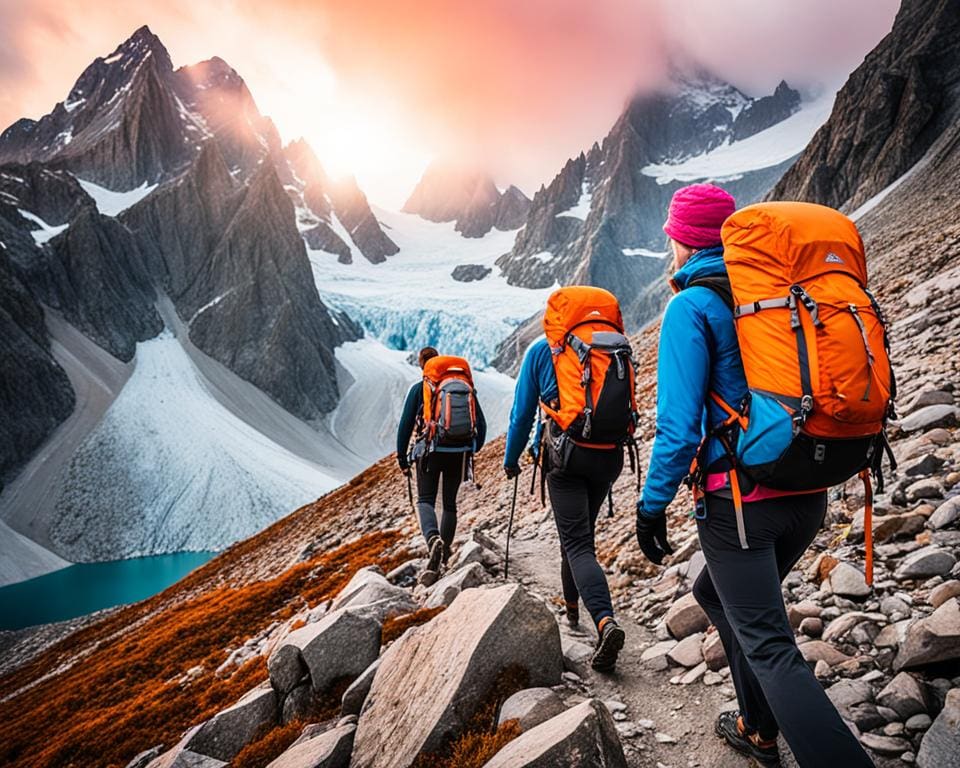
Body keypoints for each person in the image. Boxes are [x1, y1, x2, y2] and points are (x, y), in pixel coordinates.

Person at [635, 183, 874, 766]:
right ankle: (758, 728)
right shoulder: (768, 292)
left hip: (741, 504)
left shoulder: (692, 305)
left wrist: (650, 506)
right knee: (711, 593)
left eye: (672, 238)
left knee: (771, 646)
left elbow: (678, 429)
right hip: (808, 493)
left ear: (683, 242)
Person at [504, 287, 635, 672]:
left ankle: (604, 621)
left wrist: (512, 460)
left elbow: (521, 414)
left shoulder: (543, 351)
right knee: (580, 537)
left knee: (576, 543)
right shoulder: (613, 346)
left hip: (565, 457)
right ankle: (574, 610)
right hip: (607, 455)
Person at [397, 346, 487, 586]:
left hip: (430, 451)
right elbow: (482, 425)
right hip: (458, 453)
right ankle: (444, 554)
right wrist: (470, 450)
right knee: (449, 503)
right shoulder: (464, 387)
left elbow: (405, 425)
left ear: (422, 365)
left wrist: (402, 459)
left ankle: (432, 540)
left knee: (425, 500)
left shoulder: (420, 390)